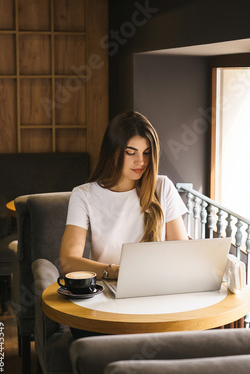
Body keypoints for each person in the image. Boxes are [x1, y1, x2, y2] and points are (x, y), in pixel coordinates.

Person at [59, 110, 188, 281]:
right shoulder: (83, 195)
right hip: (110, 286)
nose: (141, 161)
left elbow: (183, 254)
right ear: (113, 151)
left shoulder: (163, 187)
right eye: (131, 152)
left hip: (157, 286)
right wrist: (117, 272)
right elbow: (68, 262)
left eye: (147, 152)